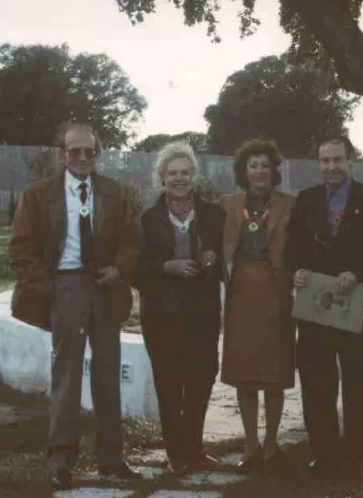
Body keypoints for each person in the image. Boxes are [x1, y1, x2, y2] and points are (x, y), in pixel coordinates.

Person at [9, 122, 142, 491]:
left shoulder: (113, 192)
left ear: (98, 153)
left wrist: (119, 269)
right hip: (64, 287)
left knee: (107, 375)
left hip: (105, 289)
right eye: (75, 151)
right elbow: (20, 248)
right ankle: (61, 462)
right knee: (67, 377)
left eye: (90, 151)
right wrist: (48, 288)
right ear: (62, 155)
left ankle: (112, 459)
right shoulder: (39, 195)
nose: (83, 158)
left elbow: (132, 240)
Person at [285, 135, 363, 481]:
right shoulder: (306, 200)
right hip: (316, 310)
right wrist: (297, 271)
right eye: (325, 161)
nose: (331, 167)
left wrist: (360, 273)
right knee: (316, 385)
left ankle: (361, 457)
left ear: (352, 159)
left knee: (358, 385)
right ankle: (323, 456)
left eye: (338, 160)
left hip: (358, 307)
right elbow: (292, 248)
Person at [133, 142, 224, 476]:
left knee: (201, 381)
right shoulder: (148, 218)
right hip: (162, 314)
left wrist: (213, 260)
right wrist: (166, 267)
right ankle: (175, 454)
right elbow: (135, 269)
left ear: (194, 175)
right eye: (173, 173)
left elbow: (227, 259)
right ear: (162, 177)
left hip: (203, 312)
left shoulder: (213, 214)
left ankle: (195, 450)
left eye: (185, 172)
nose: (179, 178)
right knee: (170, 384)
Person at [220, 139, 296, 471]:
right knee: (245, 372)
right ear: (244, 171)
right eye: (253, 165)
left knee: (275, 372)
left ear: (274, 170)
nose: (260, 171)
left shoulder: (290, 204)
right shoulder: (228, 204)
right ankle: (250, 444)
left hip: (276, 291)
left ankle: (271, 444)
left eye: (266, 165)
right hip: (240, 292)